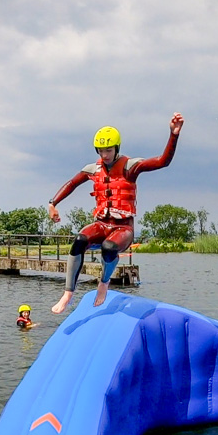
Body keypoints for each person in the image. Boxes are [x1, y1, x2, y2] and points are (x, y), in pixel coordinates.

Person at [47, 112, 184, 314]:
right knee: (79, 240)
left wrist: (173, 135)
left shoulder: (131, 167)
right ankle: (68, 293)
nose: (105, 155)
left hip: (123, 228)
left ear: (117, 148)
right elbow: (72, 183)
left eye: (109, 150)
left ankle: (104, 282)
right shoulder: (93, 169)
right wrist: (53, 203)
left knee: (108, 247)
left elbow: (163, 161)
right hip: (102, 224)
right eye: (101, 151)